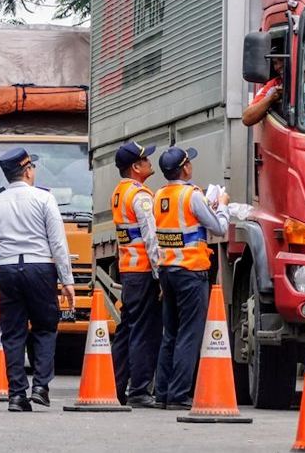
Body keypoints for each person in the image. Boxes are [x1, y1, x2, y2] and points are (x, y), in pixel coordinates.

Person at [0, 148, 74, 412]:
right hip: (40, 269)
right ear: (28, 170)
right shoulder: (44, 199)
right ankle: (40, 386)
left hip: (7, 270)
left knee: (13, 333)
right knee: (45, 327)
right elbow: (57, 243)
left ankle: (16, 395)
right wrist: (67, 280)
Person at [153, 146, 230, 409]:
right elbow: (219, 228)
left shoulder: (158, 195)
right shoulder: (192, 195)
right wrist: (223, 207)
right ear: (185, 168)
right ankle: (178, 395)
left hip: (167, 271)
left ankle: (162, 392)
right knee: (190, 333)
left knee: (170, 333)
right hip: (191, 272)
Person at [108, 141, 162, 407]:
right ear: (135, 167)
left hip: (128, 270)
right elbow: (151, 237)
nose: (150, 162)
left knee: (127, 329)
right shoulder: (141, 196)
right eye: (145, 159)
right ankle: (140, 389)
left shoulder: (120, 192)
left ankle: (116, 387)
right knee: (143, 331)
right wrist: (159, 274)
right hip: (142, 272)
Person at [241, 57, 285, 126]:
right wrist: (270, 98)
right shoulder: (275, 84)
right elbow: (246, 118)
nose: (278, 66)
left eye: (282, 60)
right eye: (275, 63)